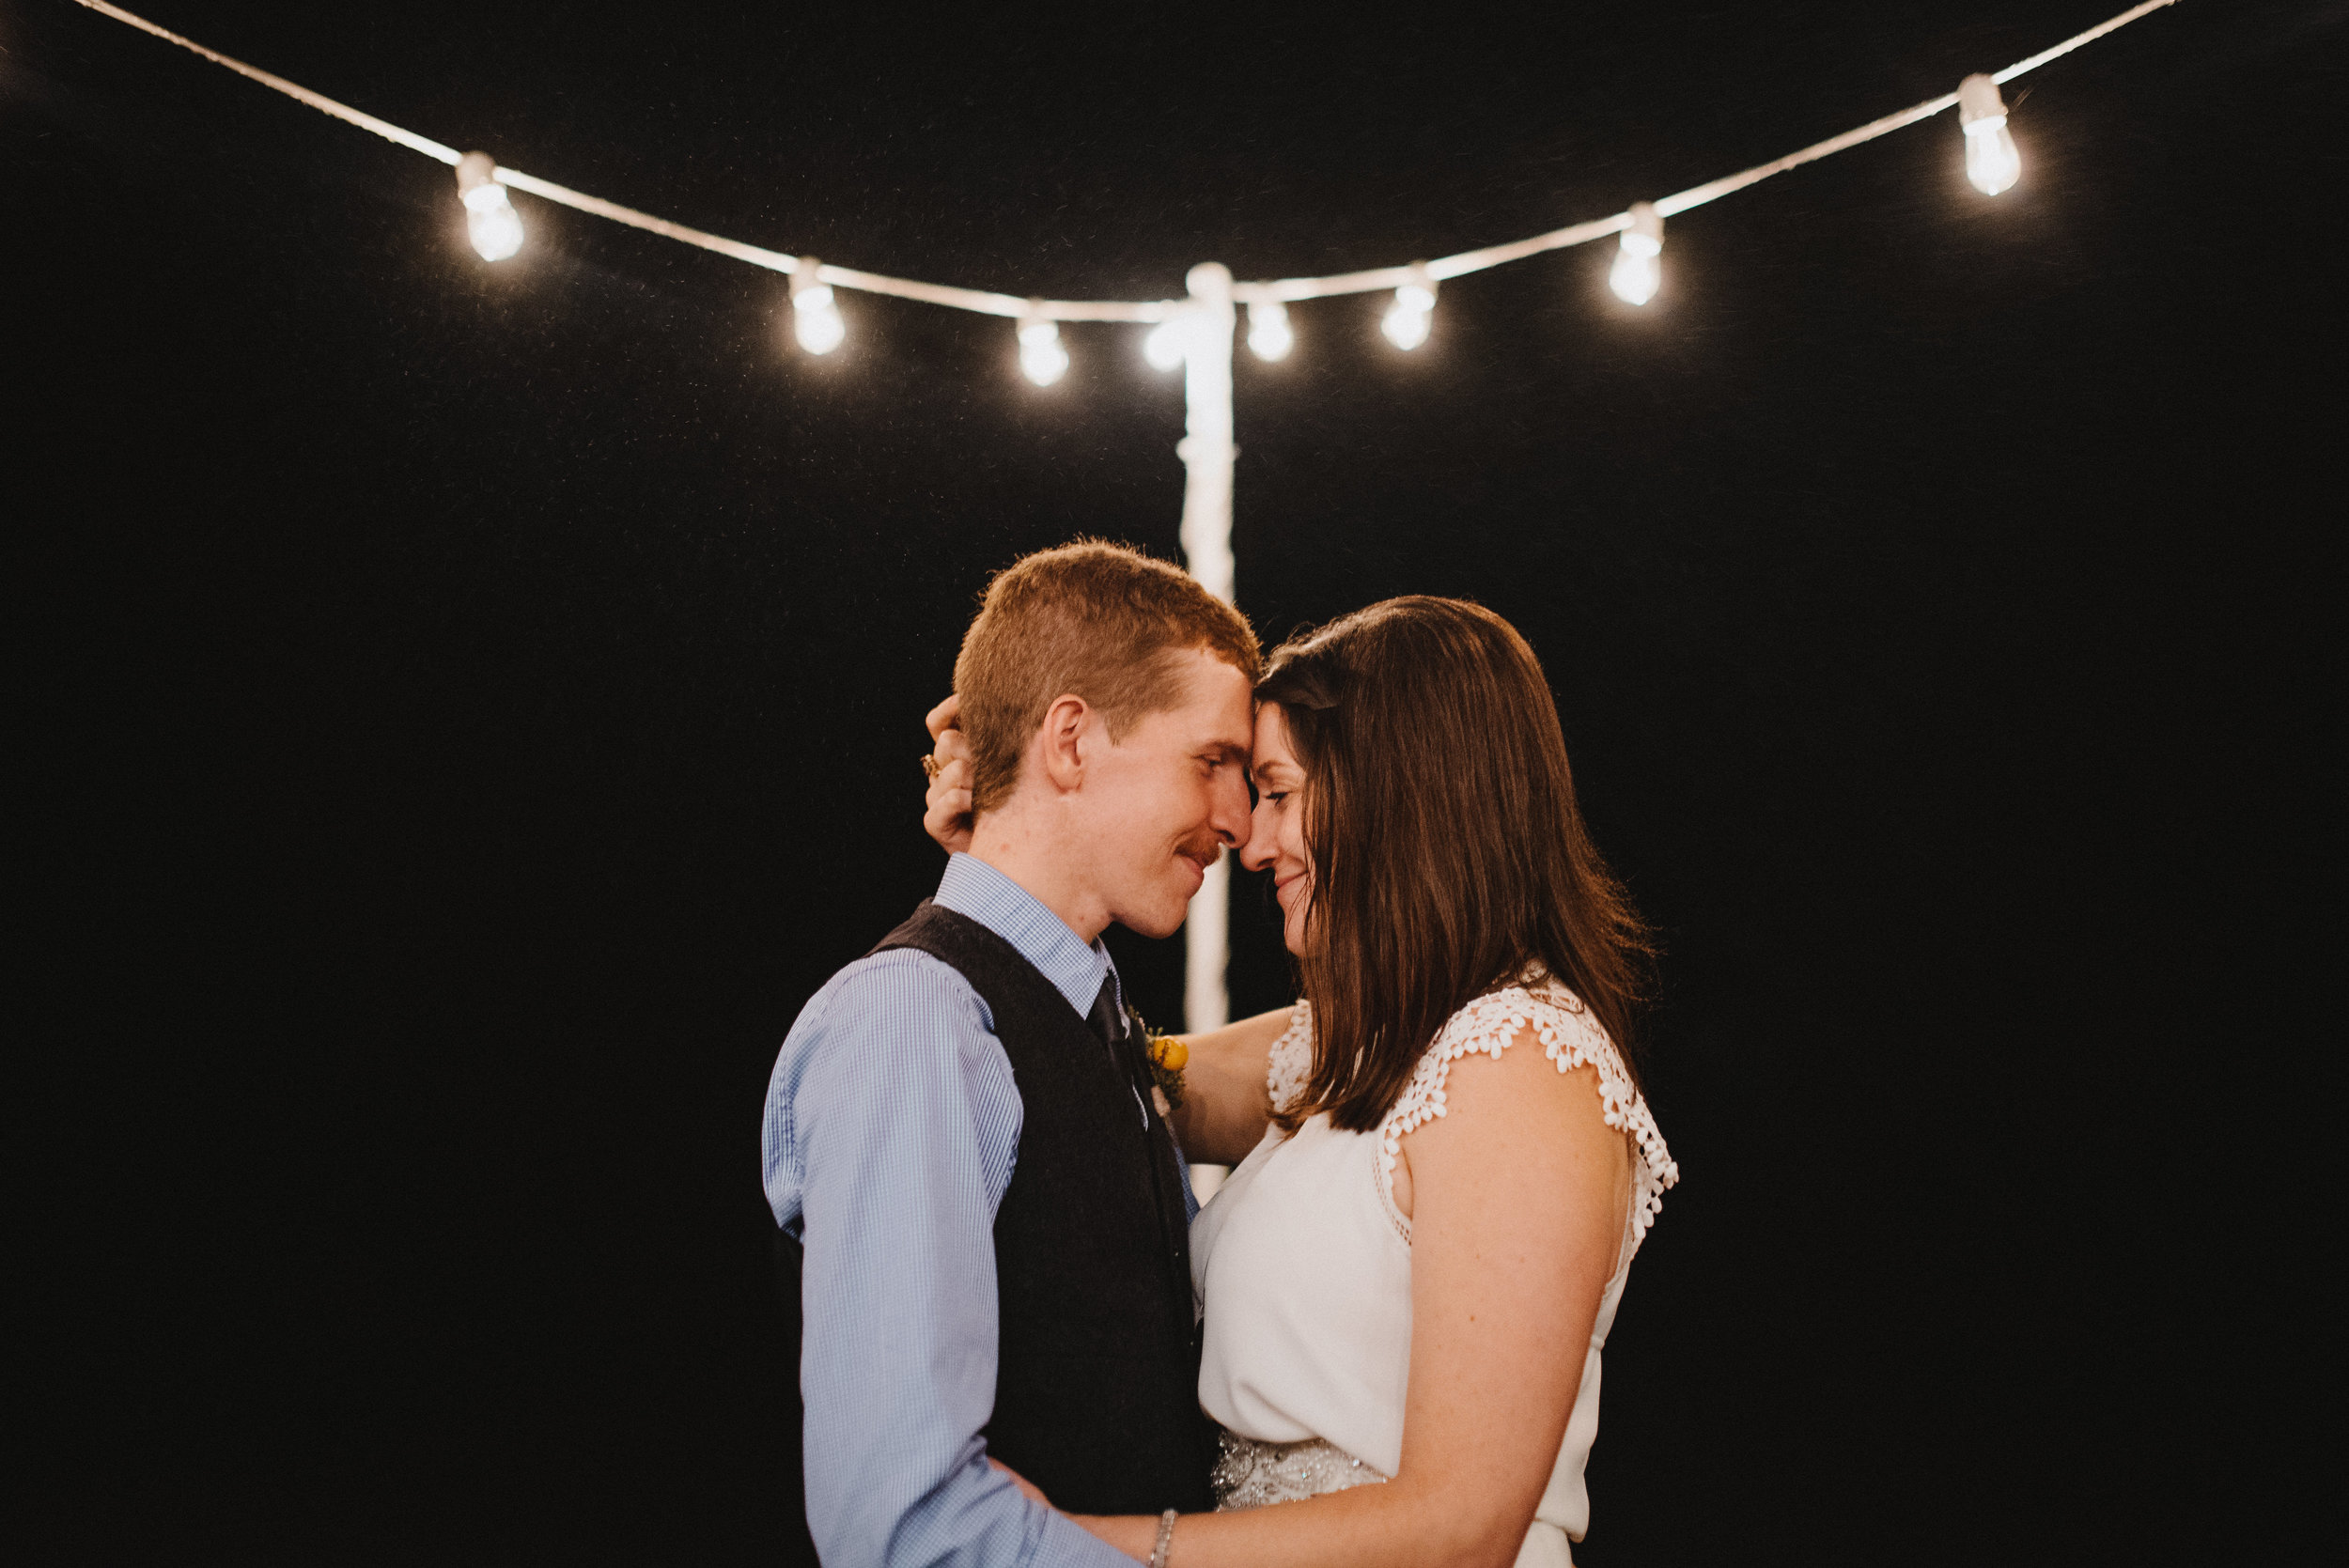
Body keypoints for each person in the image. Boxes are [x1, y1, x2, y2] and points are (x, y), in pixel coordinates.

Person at [924, 596, 1676, 1568]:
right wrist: (1018, 850)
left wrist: (1061, 1548)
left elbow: (1460, 1526)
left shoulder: (1521, 1064)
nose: (1250, 837)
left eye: (1276, 791)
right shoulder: (1354, 1046)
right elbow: (1113, 1070)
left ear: (1398, 790)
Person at [761, 539, 1261, 1566]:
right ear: (1069, 741)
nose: (1239, 822)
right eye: (1212, 762)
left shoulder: (1089, 1026)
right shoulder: (913, 1021)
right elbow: (904, 1531)